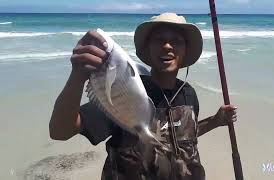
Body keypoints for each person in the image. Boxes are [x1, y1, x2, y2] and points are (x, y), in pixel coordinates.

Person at [49, 12, 237, 180]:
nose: (167, 46)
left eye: (176, 41)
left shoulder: (188, 93)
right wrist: (77, 77)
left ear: (186, 50)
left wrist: (215, 121)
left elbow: (180, 135)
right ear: (147, 49)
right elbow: (60, 132)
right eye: (159, 40)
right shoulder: (126, 91)